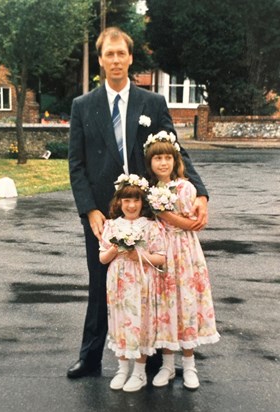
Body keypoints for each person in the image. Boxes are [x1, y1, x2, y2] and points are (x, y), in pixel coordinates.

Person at [67, 26, 208, 379]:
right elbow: (76, 165)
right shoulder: (83, 107)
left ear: (130, 58)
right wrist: (90, 210)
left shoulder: (152, 103)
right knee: (102, 283)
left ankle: (156, 358)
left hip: (151, 211)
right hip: (106, 214)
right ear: (100, 61)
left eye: (121, 54)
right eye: (108, 54)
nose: (115, 60)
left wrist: (201, 192)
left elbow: (175, 151)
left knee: (155, 283)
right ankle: (91, 356)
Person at [144, 131, 220, 390]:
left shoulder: (186, 187)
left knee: (185, 302)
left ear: (175, 161)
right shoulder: (150, 190)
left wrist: (165, 214)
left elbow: (192, 224)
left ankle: (189, 366)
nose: (163, 163)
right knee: (165, 305)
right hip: (161, 251)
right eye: (157, 159)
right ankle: (167, 365)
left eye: (167, 158)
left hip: (184, 250)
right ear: (150, 163)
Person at [99, 174, 166, 392]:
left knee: (140, 322)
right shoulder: (111, 226)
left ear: (142, 202)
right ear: (119, 202)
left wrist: (138, 255)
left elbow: (161, 258)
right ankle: (122, 369)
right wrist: (115, 249)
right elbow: (102, 258)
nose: (131, 205)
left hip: (141, 282)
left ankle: (139, 372)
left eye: (136, 200)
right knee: (120, 322)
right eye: (126, 200)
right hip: (118, 282)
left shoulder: (150, 226)